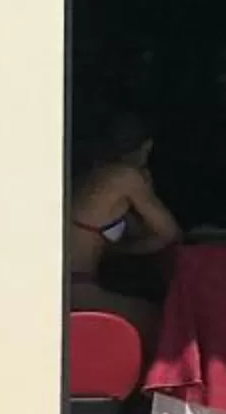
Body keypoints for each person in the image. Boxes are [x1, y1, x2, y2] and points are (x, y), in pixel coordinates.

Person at [67, 110, 182, 357]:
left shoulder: (89, 174)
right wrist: (123, 250)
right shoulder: (124, 177)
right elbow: (169, 234)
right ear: (147, 146)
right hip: (80, 290)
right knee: (170, 324)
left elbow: (128, 230)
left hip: (72, 284)